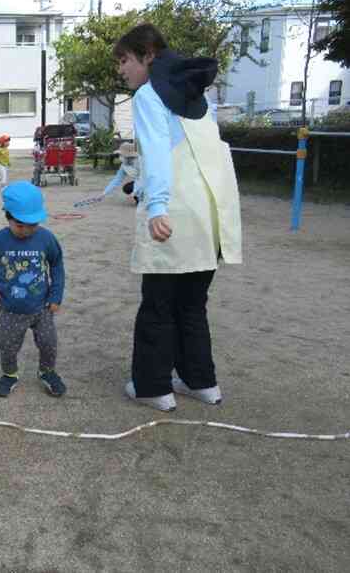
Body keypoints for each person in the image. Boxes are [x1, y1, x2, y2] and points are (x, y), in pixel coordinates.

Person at [114, 23, 242, 411]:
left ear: (149, 54)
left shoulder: (149, 95)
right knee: (192, 305)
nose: (121, 70)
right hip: (210, 215)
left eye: (125, 60)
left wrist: (156, 206)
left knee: (158, 305)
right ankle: (201, 381)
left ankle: (154, 387)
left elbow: (155, 152)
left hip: (173, 214)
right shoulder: (198, 95)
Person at [0, 181, 66, 398]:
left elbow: (56, 265)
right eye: (20, 225)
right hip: (10, 309)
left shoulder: (46, 238)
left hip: (42, 308)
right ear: (7, 216)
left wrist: (56, 295)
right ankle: (9, 374)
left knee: (49, 343)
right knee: (7, 346)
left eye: (33, 224)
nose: (27, 230)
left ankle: (47, 372)